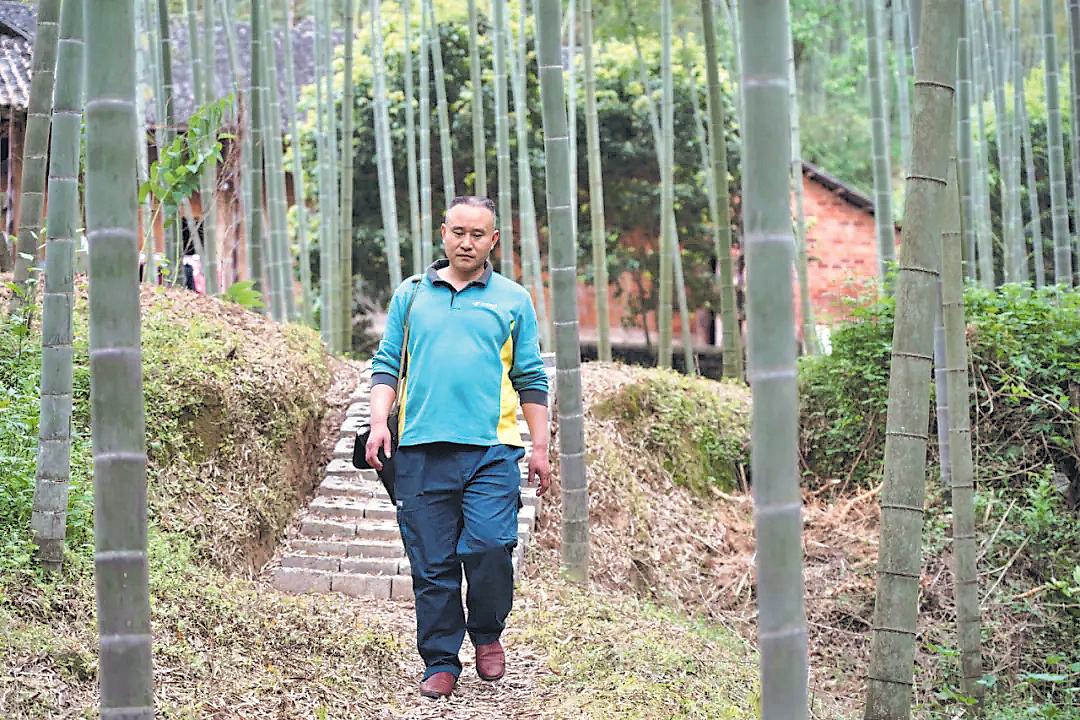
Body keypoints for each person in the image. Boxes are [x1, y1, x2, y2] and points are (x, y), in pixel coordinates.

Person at [366, 196, 552, 700]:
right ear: (443, 233)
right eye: (458, 232)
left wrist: (539, 446)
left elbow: (531, 377)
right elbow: (387, 363)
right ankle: (441, 660)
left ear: (494, 241)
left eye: (478, 235)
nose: (466, 243)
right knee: (432, 564)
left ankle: (487, 631)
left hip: (492, 450)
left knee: (490, 545)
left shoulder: (512, 299)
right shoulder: (410, 295)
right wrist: (379, 422)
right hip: (420, 449)